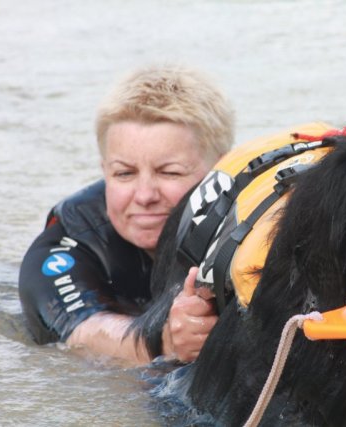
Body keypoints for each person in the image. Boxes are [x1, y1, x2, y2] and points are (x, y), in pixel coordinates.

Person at [18, 65, 234, 365]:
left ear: (223, 169)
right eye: (124, 173)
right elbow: (84, 331)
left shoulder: (246, 226)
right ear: (105, 170)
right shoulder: (69, 242)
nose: (144, 196)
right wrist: (164, 340)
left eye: (169, 172)